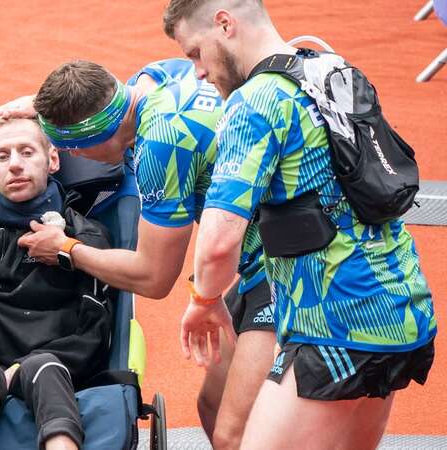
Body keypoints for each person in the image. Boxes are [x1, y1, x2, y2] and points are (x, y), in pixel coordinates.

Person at [163, 1, 437, 449]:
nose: (197, 72)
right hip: (401, 311)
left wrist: (204, 300)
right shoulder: (330, 66)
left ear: (225, 25)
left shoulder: (254, 101)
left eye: (195, 53)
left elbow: (218, 241)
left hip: (336, 324)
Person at [0, 58, 275, 447]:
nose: (75, 155)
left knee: (235, 433)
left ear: (99, 132)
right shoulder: (153, 80)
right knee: (212, 406)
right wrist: (37, 106)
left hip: (288, 267)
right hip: (255, 255)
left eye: (73, 145)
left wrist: (67, 248)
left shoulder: (160, 147)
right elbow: (102, 94)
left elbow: (153, 278)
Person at [0, 116, 112, 450]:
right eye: (3, 156)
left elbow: (96, 332)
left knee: (43, 367)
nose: (16, 165)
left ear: (52, 159)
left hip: (59, 365)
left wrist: (20, 367)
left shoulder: (87, 238)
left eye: (27, 152)